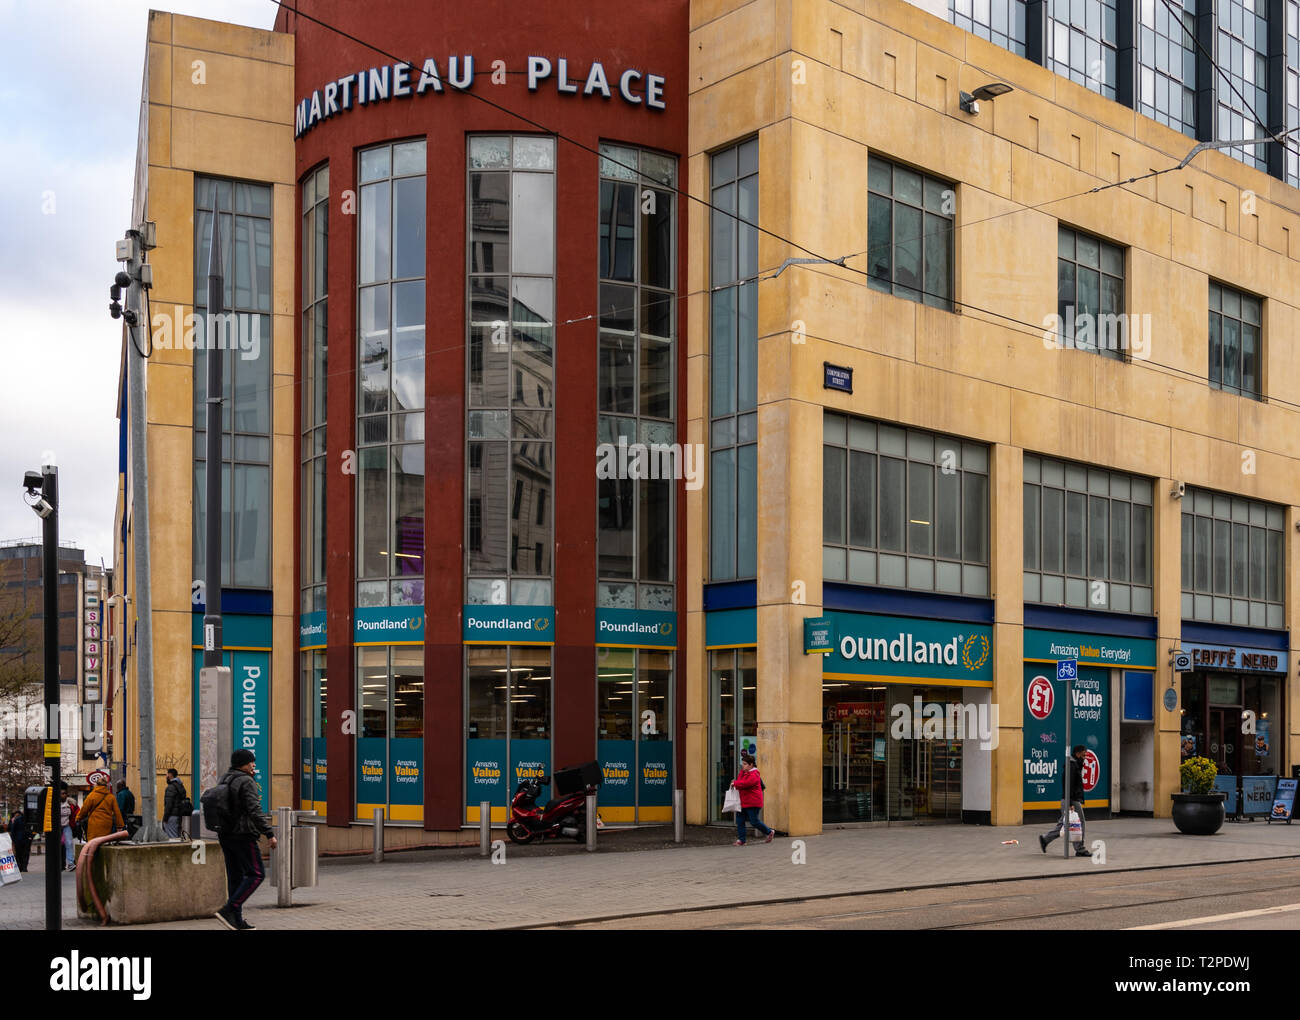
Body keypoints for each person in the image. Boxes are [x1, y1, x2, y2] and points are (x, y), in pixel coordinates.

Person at [213, 749, 277, 931]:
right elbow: (254, 810)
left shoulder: (225, 778)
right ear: (242, 764)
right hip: (243, 835)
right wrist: (269, 833)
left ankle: (236, 920)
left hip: (226, 834)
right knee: (257, 874)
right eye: (251, 762)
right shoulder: (246, 781)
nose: (253, 765)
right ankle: (229, 909)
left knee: (236, 876)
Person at [1040, 745, 1091, 857]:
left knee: (1064, 824)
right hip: (1071, 800)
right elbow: (1068, 784)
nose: (1085, 757)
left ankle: (1045, 838)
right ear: (1077, 753)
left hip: (1070, 799)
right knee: (1079, 822)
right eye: (1083, 754)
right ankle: (1080, 849)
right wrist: (1070, 803)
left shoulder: (1075, 764)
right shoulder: (1072, 766)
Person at [731, 751, 775, 846]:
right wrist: (737, 781)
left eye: (745, 764)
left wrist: (735, 783)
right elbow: (740, 782)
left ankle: (769, 832)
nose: (743, 766)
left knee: (754, 821)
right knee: (740, 821)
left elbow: (746, 784)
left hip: (753, 802)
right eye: (742, 764)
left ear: (751, 765)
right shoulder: (743, 772)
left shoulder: (755, 774)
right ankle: (742, 840)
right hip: (742, 801)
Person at [79, 771, 126, 847]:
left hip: (94, 823)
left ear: (96, 785)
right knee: (104, 843)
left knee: (93, 844)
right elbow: (117, 812)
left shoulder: (91, 796)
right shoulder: (111, 797)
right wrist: (120, 826)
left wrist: (78, 818)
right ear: (106, 785)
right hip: (106, 823)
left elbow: (84, 809)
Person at [163, 769, 188, 838]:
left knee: (172, 837)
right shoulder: (180, 786)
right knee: (176, 836)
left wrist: (165, 818)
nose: (166, 776)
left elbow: (169, 804)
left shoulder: (171, 787)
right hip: (178, 815)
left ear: (170, 775)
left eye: (167, 774)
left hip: (171, 816)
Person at [59, 785, 78, 872]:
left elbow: (77, 813)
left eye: (65, 793)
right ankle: (59, 863)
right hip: (57, 827)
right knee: (58, 846)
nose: (64, 795)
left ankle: (70, 863)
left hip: (67, 826)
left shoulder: (71, 804)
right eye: (62, 793)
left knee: (69, 844)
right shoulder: (53, 803)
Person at [8, 808, 31, 872]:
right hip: (19, 840)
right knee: (19, 853)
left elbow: (31, 830)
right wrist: (14, 839)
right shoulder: (18, 820)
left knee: (25, 853)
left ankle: (24, 867)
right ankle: (21, 867)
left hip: (25, 840)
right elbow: (13, 830)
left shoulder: (28, 820)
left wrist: (30, 837)